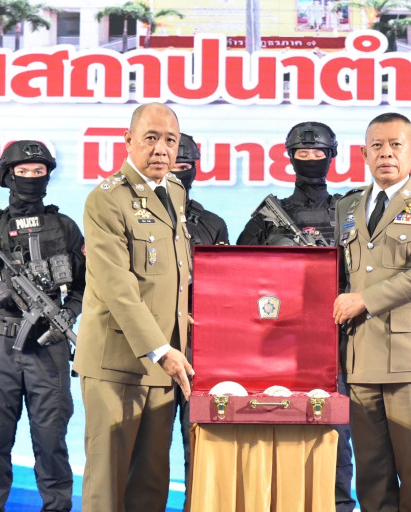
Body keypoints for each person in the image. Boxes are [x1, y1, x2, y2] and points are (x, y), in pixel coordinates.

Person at [0, 140, 85, 512]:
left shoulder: (64, 226)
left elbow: (85, 285)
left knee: (51, 440)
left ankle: (57, 506)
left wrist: (68, 314)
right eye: (23, 171)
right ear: (8, 176)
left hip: (49, 344)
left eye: (38, 171)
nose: (30, 177)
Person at [332, 113, 411, 512]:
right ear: (363, 153)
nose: (386, 153)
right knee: (372, 482)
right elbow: (339, 276)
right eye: (377, 146)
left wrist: (365, 300)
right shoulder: (347, 206)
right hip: (361, 359)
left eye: (396, 145)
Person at [74, 102, 193, 512]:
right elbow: (118, 287)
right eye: (151, 138)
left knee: (151, 484)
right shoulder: (106, 200)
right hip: (118, 364)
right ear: (128, 141)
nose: (161, 149)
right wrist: (161, 349)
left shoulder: (174, 192)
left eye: (170, 140)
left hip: (164, 364)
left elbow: (173, 276)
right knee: (107, 487)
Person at [237, 121, 356, 512]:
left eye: (317, 153)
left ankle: (339, 504)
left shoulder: (349, 212)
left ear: (331, 157)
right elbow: (241, 270)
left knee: (336, 431)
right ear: (290, 158)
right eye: (302, 153)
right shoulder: (271, 214)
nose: (310, 160)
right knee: (280, 422)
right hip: (280, 338)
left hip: (336, 338)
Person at [169, 132, 228, 494]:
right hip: (154, 342)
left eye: (184, 165)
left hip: (201, 345)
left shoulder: (212, 223)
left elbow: (228, 288)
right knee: (149, 444)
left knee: (200, 440)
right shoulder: (133, 217)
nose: (178, 172)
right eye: (172, 165)